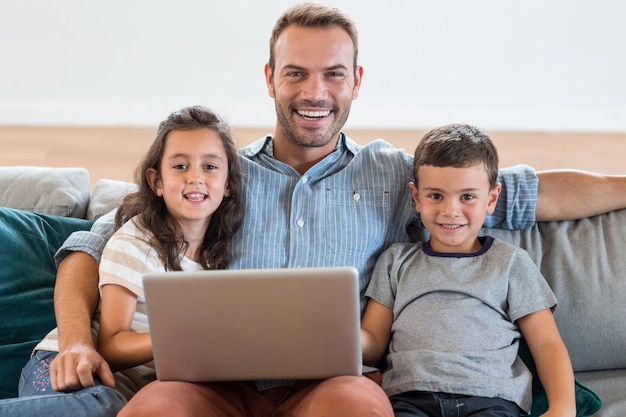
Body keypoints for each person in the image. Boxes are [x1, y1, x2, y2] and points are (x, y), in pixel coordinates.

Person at [2, 2, 626, 416]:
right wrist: (77, 343)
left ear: (357, 81)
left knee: (361, 403)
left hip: (325, 389)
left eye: (333, 74)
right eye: (296, 73)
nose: (314, 93)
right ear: (269, 77)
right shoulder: (214, 173)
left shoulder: (394, 175)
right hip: (214, 385)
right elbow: (90, 246)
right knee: (158, 407)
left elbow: (525, 192)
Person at [0, 105, 244, 417]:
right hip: (65, 368)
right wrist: (183, 338)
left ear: (228, 184)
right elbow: (111, 345)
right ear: (156, 182)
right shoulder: (135, 241)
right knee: (105, 407)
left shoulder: (221, 257)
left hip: (123, 394)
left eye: (210, 167)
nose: (195, 177)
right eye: (180, 166)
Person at [360, 123, 575, 417]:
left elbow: (548, 344)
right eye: (436, 196)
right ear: (416, 197)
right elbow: (372, 342)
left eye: (467, 197)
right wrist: (336, 338)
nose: (451, 210)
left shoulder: (511, 262)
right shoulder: (395, 260)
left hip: (491, 397)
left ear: (491, 198)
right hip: (410, 397)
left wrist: (563, 408)